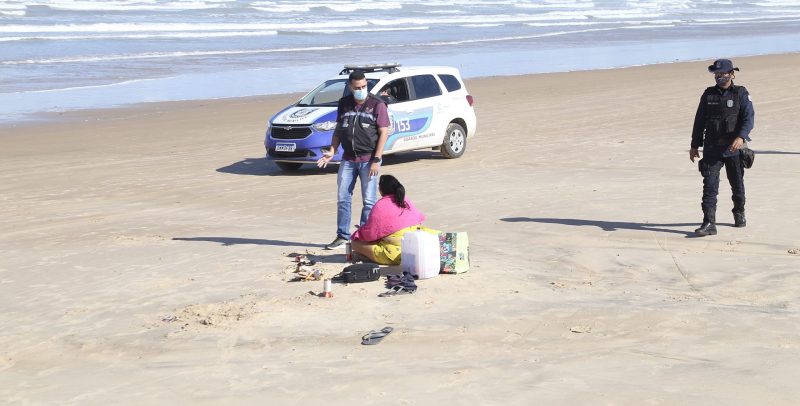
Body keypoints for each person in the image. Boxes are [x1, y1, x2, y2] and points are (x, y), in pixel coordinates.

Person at [317, 70, 389, 249]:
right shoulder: (344, 104)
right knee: (343, 198)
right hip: (348, 160)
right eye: (357, 87)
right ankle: (342, 236)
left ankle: (364, 236)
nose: (361, 90)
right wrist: (332, 150)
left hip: (369, 160)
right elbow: (339, 130)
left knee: (369, 201)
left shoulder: (377, 104)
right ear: (350, 87)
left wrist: (377, 159)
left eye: (364, 86)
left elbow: (383, 133)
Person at [690, 58, 755, 236]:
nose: (719, 77)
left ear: (732, 74)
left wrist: (741, 137)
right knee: (709, 187)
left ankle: (739, 211)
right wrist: (695, 145)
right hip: (712, 149)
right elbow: (699, 121)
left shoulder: (741, 93)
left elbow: (749, 118)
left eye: (723, 74)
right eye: (717, 74)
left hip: (734, 149)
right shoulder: (708, 94)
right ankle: (709, 222)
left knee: (737, 185)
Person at [350, 175, 437, 265]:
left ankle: (369, 257)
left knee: (355, 243)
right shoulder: (405, 199)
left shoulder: (380, 205)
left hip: (397, 253)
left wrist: (358, 232)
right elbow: (418, 219)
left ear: (381, 189)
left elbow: (370, 234)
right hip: (417, 245)